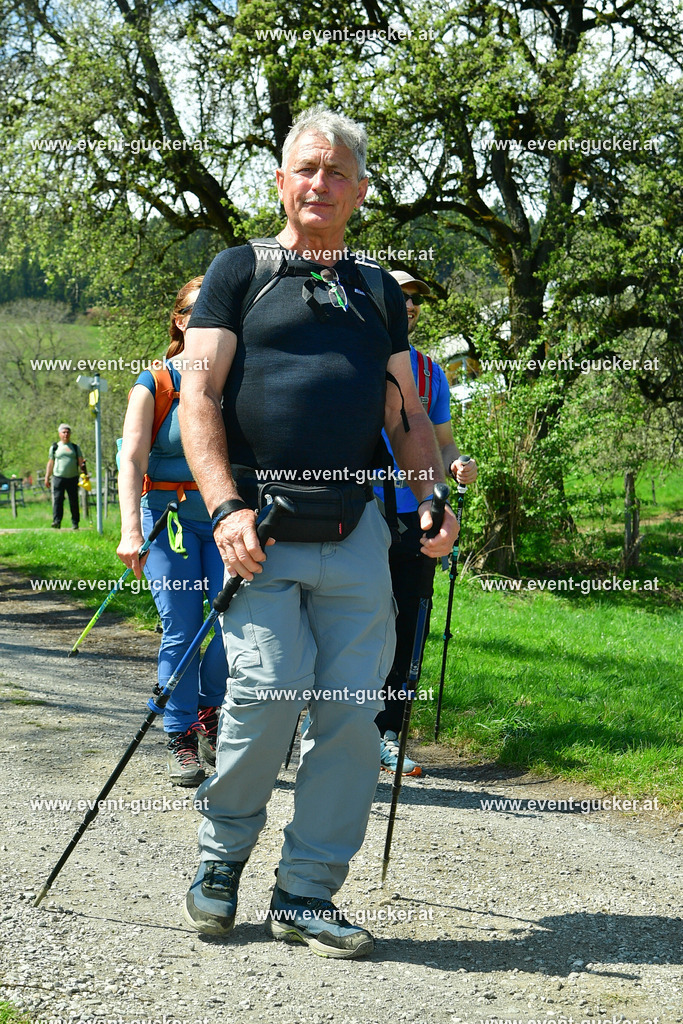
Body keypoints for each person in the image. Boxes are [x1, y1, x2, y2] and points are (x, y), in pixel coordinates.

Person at [177, 105, 459, 959]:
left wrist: (428, 501)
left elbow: (403, 411)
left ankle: (306, 892)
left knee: (349, 717)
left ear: (361, 191)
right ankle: (221, 860)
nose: (320, 184)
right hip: (257, 531)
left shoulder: (377, 290)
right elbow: (197, 394)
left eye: (338, 172)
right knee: (263, 694)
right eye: (306, 168)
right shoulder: (238, 271)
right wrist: (224, 507)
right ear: (280, 180)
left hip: (357, 535)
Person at [116, 278, 228, 787]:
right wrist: (130, 530)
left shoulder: (233, 375)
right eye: (196, 312)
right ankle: (180, 732)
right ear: (179, 321)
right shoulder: (155, 382)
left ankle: (210, 713)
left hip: (225, 513)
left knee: (232, 623)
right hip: (170, 515)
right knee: (183, 626)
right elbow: (132, 459)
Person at [374, 271, 478, 778]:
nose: (410, 306)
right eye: (400, 297)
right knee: (356, 618)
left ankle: (388, 733)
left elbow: (443, 440)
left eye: (416, 299)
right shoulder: (358, 357)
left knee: (409, 621)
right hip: (357, 511)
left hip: (419, 512)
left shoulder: (432, 373)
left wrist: (458, 463)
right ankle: (330, 723)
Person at [45, 424, 87, 530]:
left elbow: (81, 461)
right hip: (58, 478)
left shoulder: (75, 447)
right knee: (58, 500)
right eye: (63, 432)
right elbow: (50, 463)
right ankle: (57, 522)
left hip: (72, 478)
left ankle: (75, 523)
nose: (66, 434)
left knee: (73, 501)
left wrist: (84, 473)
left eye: (68, 432)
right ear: (59, 434)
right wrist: (47, 477)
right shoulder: (55, 447)